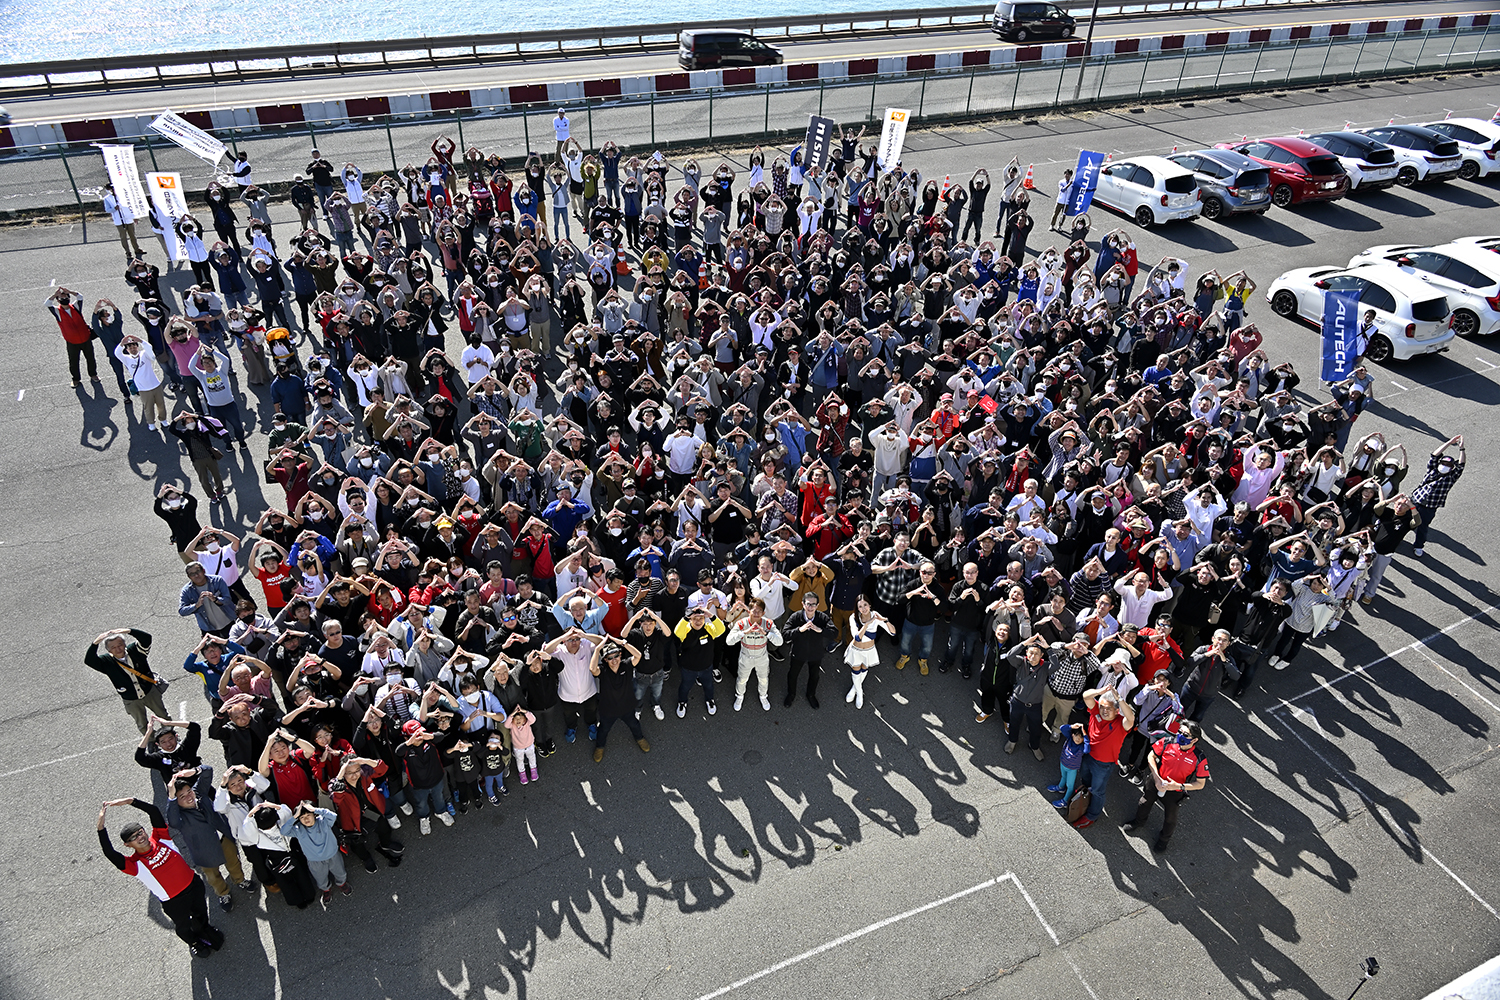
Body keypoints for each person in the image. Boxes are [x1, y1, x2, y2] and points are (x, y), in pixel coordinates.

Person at [97, 797, 225, 957]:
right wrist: (101, 828)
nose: (140, 837)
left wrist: (131, 801)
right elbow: (110, 853)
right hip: (173, 901)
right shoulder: (134, 864)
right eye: (133, 838)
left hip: (193, 884)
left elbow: (154, 811)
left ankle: (204, 928)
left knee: (201, 912)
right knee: (183, 926)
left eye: (140, 832)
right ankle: (194, 942)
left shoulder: (161, 838)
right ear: (128, 845)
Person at [165, 765, 253, 912]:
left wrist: (193, 771)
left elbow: (208, 772)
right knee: (213, 876)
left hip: (223, 838)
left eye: (189, 791)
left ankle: (240, 880)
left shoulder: (199, 793)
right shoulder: (179, 816)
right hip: (203, 851)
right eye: (182, 796)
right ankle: (223, 893)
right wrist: (171, 797)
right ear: (176, 801)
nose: (189, 796)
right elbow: (172, 821)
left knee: (234, 863)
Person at [1122, 720, 1210, 852]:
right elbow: (1151, 756)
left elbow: (1200, 784)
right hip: (1156, 781)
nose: (1180, 735)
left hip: (1175, 790)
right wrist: (1156, 778)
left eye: (1185, 734)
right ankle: (1139, 822)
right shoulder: (1168, 742)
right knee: (1144, 802)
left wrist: (1179, 786)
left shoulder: (1199, 758)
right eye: (1179, 732)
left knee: (1170, 818)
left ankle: (1164, 840)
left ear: (1194, 739)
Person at [1070, 685, 1136, 830]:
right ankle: (1085, 795)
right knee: (1085, 779)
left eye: (1109, 708)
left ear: (1117, 711)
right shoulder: (1096, 712)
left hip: (1103, 764)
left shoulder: (1120, 723)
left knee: (1098, 791)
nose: (1104, 711)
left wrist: (1119, 698)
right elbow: (1086, 696)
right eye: (1102, 707)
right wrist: (1101, 692)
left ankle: (1092, 815)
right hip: (1088, 755)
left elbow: (1131, 718)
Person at [85, 629, 169, 733]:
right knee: (142, 724)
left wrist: (129, 631)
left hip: (149, 692)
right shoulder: (106, 662)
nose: (118, 649)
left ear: (125, 644)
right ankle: (151, 741)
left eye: (120, 645)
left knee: (163, 715)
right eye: (113, 647)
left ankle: (170, 735)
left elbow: (147, 638)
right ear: (109, 651)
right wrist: (95, 643)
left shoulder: (135, 651)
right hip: (131, 699)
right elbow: (89, 660)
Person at [1408, 434, 1465, 556]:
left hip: (1429, 507)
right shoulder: (1432, 469)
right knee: (1403, 519)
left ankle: (1418, 546)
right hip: (1415, 500)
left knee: (1422, 527)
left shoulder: (1451, 477)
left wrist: (1462, 449)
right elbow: (1434, 455)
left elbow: (1461, 465)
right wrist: (1449, 442)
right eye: (1444, 463)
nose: (1445, 466)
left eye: (1449, 465)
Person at [727, 597, 783, 712]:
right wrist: (744, 633)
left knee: (763, 679)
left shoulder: (768, 623)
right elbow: (729, 641)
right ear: (749, 611)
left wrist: (766, 633)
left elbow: (780, 641)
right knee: (742, 679)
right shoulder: (741, 623)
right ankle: (739, 696)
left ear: (763, 613)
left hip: (762, 658)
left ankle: (763, 696)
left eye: (759, 611)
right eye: (754, 610)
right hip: (745, 657)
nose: (756, 613)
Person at [782, 592, 835, 708]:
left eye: (813, 604)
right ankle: (791, 694)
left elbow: (834, 633)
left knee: (814, 675)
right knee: (793, 675)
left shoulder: (822, 617)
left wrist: (820, 630)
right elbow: (785, 634)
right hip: (798, 653)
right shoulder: (796, 617)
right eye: (808, 604)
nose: (810, 607)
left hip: (815, 654)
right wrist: (799, 630)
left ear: (817, 605)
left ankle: (811, 695)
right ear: (803, 604)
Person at [844, 595, 892, 710]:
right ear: (857, 608)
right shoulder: (853, 618)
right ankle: (859, 693)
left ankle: (854, 688)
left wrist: (885, 620)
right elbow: (857, 637)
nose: (863, 608)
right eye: (860, 606)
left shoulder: (875, 616)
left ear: (870, 605)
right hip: (856, 650)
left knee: (864, 669)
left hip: (869, 651)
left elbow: (892, 632)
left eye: (865, 605)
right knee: (856, 670)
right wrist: (867, 624)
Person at [46, 287, 100, 387]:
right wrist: (54, 295)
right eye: (61, 297)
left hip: (85, 338)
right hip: (72, 342)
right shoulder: (57, 311)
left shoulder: (76, 307)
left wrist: (70, 291)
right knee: (73, 361)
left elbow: (80, 297)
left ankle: (93, 374)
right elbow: (47, 303)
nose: (64, 298)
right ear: (58, 300)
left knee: (90, 358)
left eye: (66, 296)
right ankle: (76, 379)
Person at [1048, 722, 1088, 809]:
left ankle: (1065, 801)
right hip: (1063, 763)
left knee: (1070, 786)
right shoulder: (1070, 738)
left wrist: (1085, 735)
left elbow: (1087, 749)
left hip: (1072, 769)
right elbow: (1062, 728)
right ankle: (1061, 787)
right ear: (1072, 734)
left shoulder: (1081, 747)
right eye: (1076, 735)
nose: (1078, 738)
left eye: (1081, 737)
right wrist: (1071, 726)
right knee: (1063, 777)